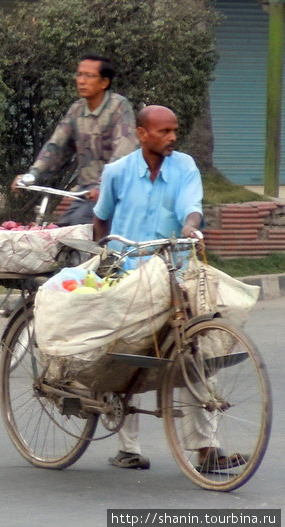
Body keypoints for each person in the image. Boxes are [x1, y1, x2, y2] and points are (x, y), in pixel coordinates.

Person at [93, 105, 244, 471]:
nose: (173, 137)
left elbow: (190, 208)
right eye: (164, 131)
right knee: (122, 354)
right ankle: (128, 447)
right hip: (127, 274)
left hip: (172, 273)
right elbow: (101, 220)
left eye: (175, 130)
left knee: (194, 354)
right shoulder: (118, 172)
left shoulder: (185, 167)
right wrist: (105, 264)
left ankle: (207, 449)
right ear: (143, 134)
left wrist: (192, 226)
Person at [14, 54, 139, 225]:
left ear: (104, 82)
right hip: (85, 193)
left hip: (116, 192)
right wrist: (32, 174)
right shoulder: (77, 110)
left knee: (81, 227)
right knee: (62, 230)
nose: (81, 80)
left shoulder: (119, 107)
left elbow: (124, 151)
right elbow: (56, 146)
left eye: (89, 76)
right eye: (79, 74)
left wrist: (103, 185)